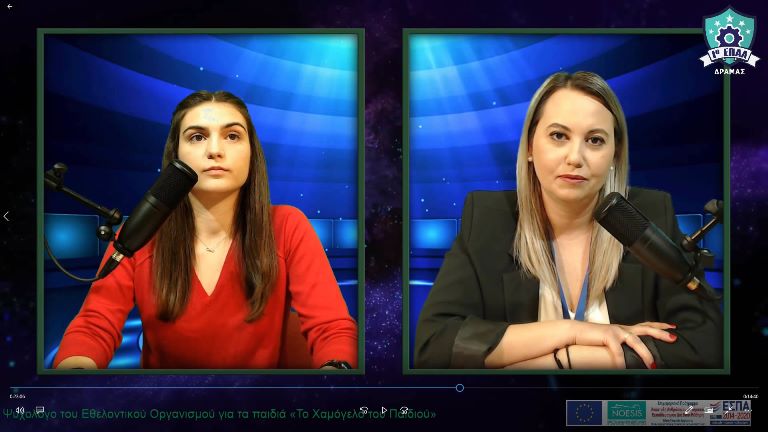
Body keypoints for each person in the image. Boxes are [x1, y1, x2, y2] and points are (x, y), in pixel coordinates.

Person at [414, 71, 722, 370]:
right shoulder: (487, 218)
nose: (575, 157)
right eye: (559, 136)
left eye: (595, 140)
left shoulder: (648, 213)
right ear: (530, 146)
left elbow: (706, 345)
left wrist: (559, 362)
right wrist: (572, 332)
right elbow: (434, 345)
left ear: (614, 155)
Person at [54, 91, 358, 369]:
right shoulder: (138, 233)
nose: (214, 150)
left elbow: (332, 328)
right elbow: (93, 326)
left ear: (252, 153)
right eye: (197, 137)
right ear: (176, 156)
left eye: (232, 136)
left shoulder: (288, 225)